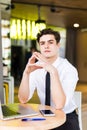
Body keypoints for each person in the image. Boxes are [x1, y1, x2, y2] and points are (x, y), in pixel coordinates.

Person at [18, 28, 80, 130]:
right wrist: (26, 73)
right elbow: (23, 99)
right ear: (39, 46)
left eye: (50, 42)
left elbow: (59, 105)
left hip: (66, 118)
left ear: (58, 45)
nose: (46, 46)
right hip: (44, 116)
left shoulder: (69, 69)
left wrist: (53, 72)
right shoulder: (36, 67)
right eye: (42, 43)